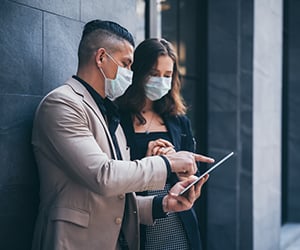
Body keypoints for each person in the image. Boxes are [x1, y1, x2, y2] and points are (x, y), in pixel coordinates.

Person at [31, 20, 214, 250]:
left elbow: (118, 198)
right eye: (127, 64)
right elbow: (104, 176)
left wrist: (164, 203)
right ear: (101, 58)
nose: (130, 73)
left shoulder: (106, 111)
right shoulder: (61, 104)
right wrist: (166, 163)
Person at [117, 38, 205, 250]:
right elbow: (111, 173)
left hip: (177, 221)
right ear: (138, 72)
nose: (161, 81)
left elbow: (192, 173)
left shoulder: (177, 119)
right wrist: (149, 163)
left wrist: (183, 170)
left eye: (167, 75)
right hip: (136, 220)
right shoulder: (117, 117)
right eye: (154, 74)